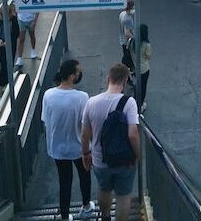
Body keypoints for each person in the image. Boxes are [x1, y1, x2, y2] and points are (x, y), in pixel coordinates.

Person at [81, 63, 140, 221]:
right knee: (123, 195)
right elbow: (133, 134)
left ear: (108, 79)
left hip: (100, 159)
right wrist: (137, 155)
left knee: (104, 189)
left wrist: (86, 154)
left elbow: (85, 134)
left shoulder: (91, 102)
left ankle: (105, 217)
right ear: (125, 81)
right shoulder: (129, 103)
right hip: (124, 159)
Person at [42, 60, 95, 221]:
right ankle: (86, 207)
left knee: (64, 182)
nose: (80, 74)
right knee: (85, 176)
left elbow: (45, 120)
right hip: (79, 147)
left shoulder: (48, 95)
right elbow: (86, 126)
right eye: (78, 72)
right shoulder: (82, 97)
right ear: (72, 76)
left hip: (57, 148)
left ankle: (65, 216)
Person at [0, 3, 19, 88]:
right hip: (1, 45)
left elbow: (16, 33)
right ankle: (4, 82)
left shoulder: (13, 19)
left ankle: (6, 82)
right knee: (4, 62)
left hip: (11, 45)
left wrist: (9, 41)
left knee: (9, 62)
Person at [129, 24, 151, 113]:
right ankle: (140, 105)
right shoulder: (146, 45)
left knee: (137, 85)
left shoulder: (132, 42)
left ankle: (135, 99)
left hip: (135, 68)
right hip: (144, 69)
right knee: (143, 87)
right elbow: (148, 56)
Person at [119, 1, 135, 72]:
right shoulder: (128, 19)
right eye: (133, 8)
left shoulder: (122, 13)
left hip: (122, 39)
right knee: (129, 57)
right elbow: (127, 33)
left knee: (126, 55)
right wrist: (135, 38)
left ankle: (124, 68)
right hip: (127, 42)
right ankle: (128, 73)